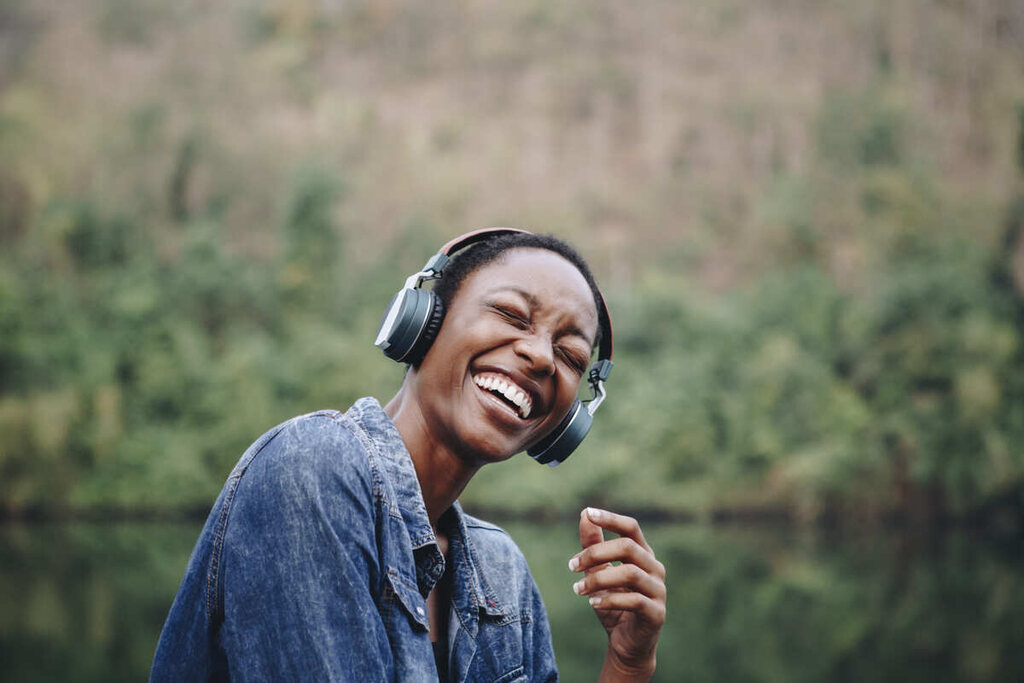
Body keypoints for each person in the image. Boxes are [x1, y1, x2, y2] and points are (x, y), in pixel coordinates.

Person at [150, 229, 666, 682]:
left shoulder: (501, 571)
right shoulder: (311, 468)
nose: (539, 356)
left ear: (566, 423)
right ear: (423, 321)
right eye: (510, 314)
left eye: (571, 356)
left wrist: (628, 664)